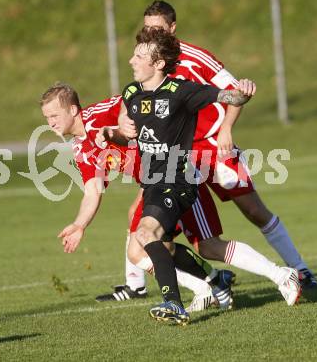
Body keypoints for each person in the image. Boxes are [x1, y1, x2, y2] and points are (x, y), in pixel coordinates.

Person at [98, 0, 316, 304]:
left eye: (156, 29)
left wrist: (226, 128)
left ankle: (297, 269)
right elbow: (132, 109)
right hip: (179, 159)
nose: (149, 35)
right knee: (147, 221)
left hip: (213, 148)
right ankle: (168, 285)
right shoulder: (144, 74)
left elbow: (233, 93)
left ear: (172, 29)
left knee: (251, 211)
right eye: (146, 29)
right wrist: (118, 127)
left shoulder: (195, 60)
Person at [98, 26, 257, 325]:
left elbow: (230, 97)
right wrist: (114, 134)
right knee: (165, 247)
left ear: (158, 64)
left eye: (139, 56)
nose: (131, 61)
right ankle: (216, 279)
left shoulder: (182, 91)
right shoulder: (132, 93)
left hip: (177, 178)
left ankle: (173, 304)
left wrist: (243, 91)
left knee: (145, 235)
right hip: (153, 183)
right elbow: (126, 137)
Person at [40, 82, 235, 311]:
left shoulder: (99, 114)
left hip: (172, 173)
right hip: (154, 183)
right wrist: (79, 224)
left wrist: (124, 117)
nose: (50, 122)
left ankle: (267, 276)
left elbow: (131, 97)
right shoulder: (80, 147)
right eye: (46, 117)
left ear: (72, 110)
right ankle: (212, 281)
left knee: (185, 246)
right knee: (159, 246)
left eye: (54, 115)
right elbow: (92, 190)